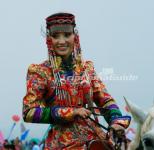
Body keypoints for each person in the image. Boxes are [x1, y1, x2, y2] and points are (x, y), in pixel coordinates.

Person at [23, 12, 131, 149]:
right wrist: (71, 112)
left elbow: (105, 100)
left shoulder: (87, 68)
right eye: (56, 36)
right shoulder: (39, 72)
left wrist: (116, 121)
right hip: (62, 142)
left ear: (75, 36)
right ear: (49, 39)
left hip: (95, 135)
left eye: (67, 35)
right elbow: (29, 112)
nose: (62, 41)